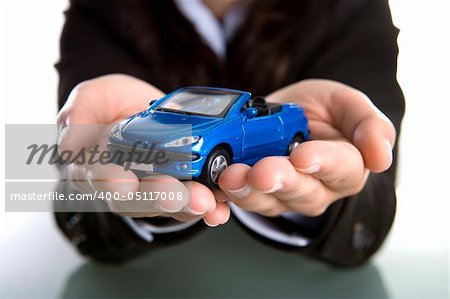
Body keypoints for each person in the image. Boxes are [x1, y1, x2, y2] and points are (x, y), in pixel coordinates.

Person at [54, 0, 405, 267]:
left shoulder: (351, 8)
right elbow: (74, 189)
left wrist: (318, 195)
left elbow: (373, 197)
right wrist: (100, 189)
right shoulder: (101, 8)